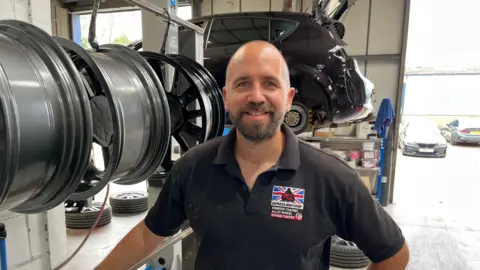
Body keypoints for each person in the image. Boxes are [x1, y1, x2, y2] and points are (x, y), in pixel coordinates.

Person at [94, 40, 409, 270]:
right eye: (243, 83)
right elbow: (148, 236)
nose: (256, 96)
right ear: (227, 98)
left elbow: (394, 254)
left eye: (269, 84)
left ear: (288, 99)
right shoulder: (192, 168)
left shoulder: (333, 178)